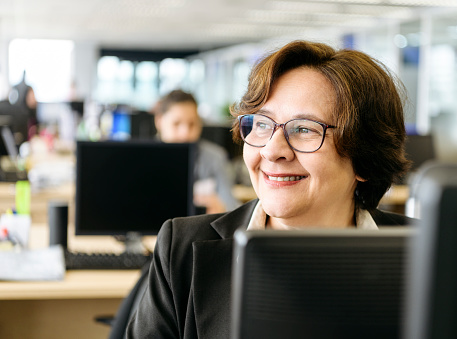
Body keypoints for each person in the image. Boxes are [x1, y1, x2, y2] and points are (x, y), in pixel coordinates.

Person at [127, 40, 414, 338]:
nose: (271, 150)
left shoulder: (434, 257)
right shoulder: (181, 249)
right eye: (262, 124)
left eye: (304, 129)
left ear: (365, 159)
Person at [153, 89, 240, 213]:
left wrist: (220, 207)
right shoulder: (144, 158)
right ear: (159, 121)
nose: (185, 133)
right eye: (176, 124)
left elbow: (232, 207)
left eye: (192, 124)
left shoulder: (215, 157)